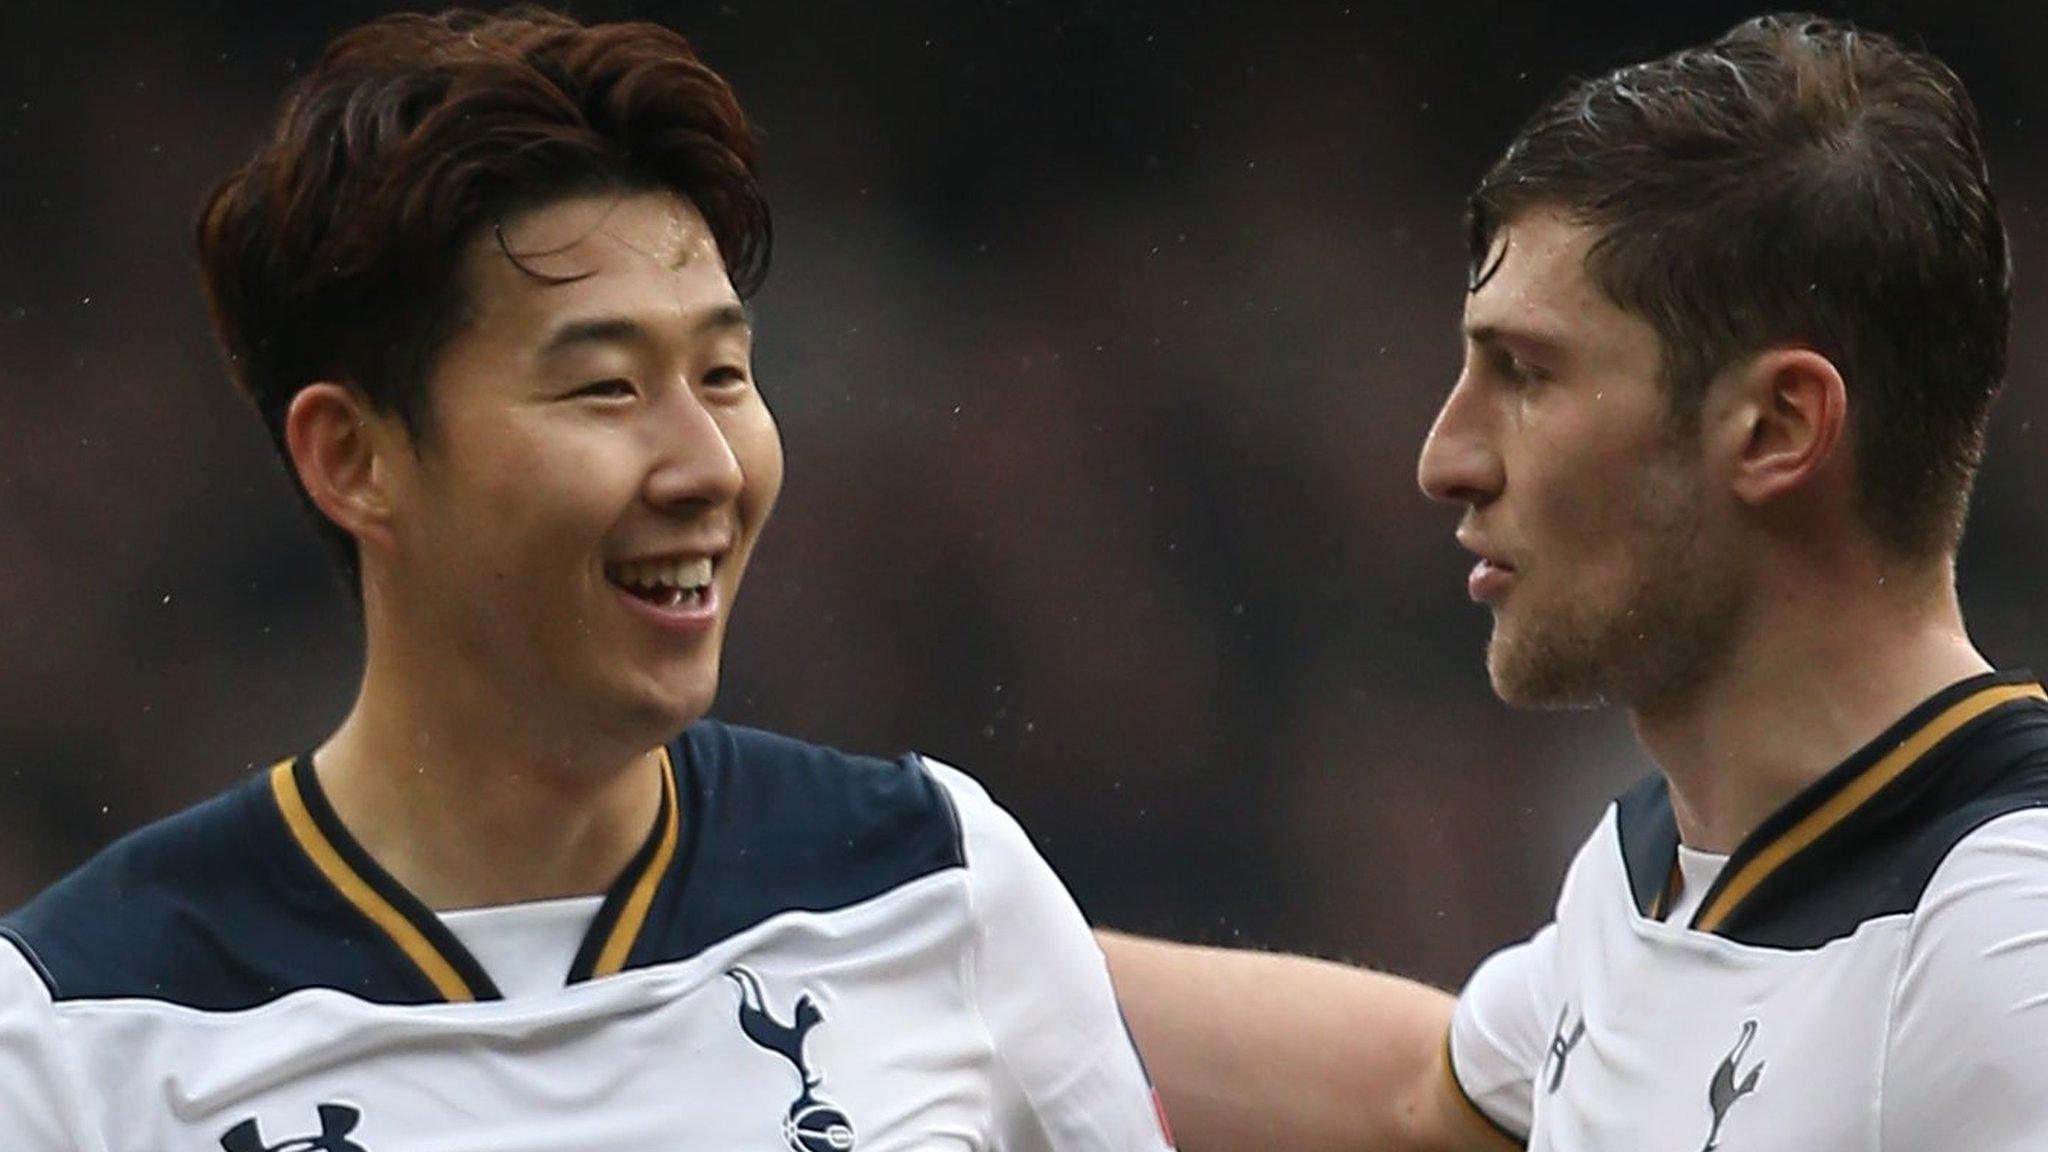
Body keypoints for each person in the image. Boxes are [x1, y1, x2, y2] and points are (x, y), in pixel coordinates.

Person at [0, 10, 1173, 1151]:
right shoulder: (79, 1025)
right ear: (353, 460)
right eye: (606, 388)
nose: (707, 466)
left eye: (722, 373)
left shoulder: (932, 883)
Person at [1101, 13, 2047, 1152]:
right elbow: (1415, 1096)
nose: (1444, 458)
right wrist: (913, 901)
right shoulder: (1648, 868)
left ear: (1773, 427)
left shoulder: (1999, 932)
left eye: (1525, 374)